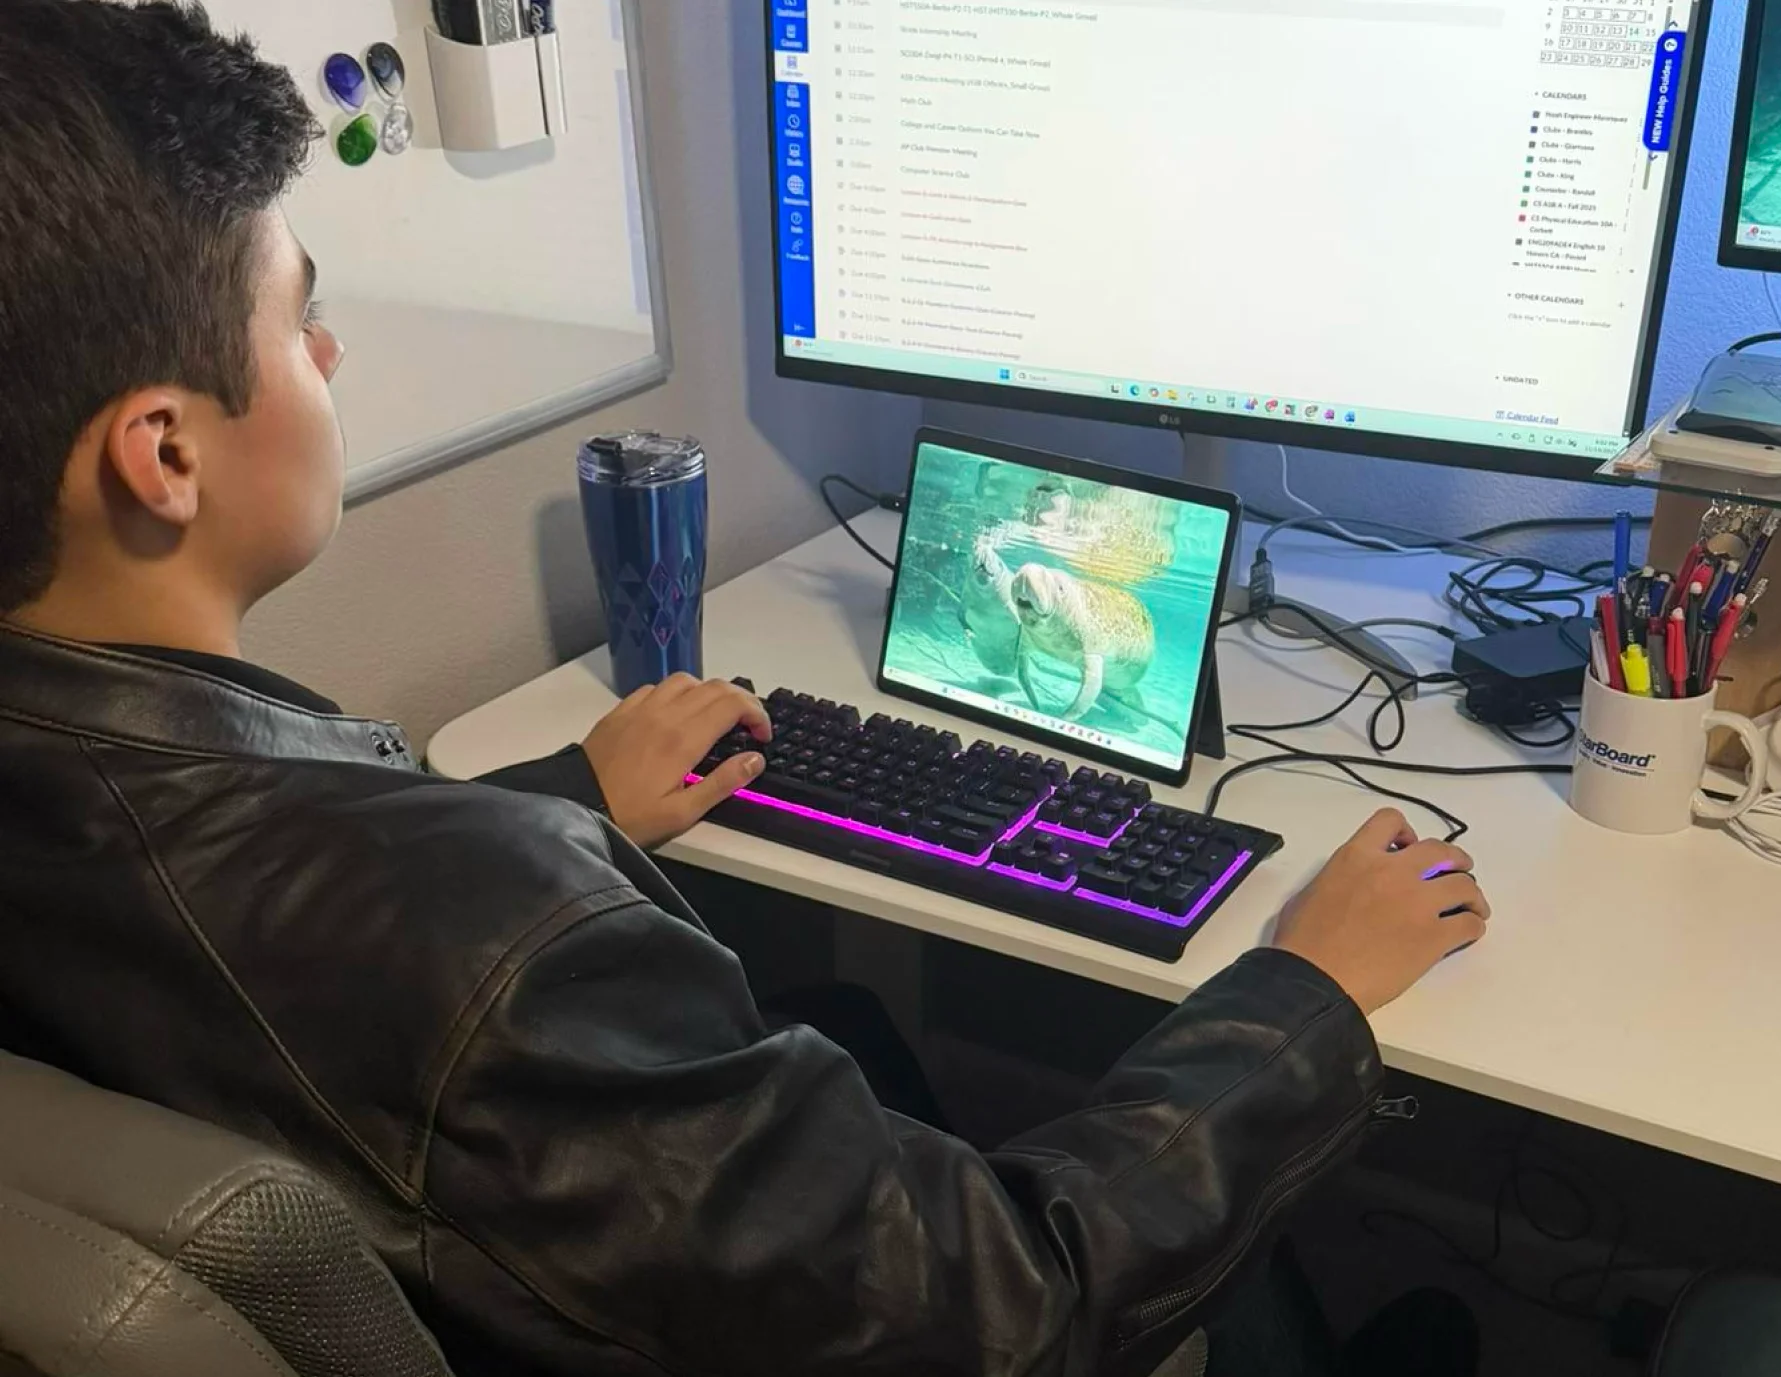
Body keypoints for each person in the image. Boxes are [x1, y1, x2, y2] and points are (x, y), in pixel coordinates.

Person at [0, 4, 1491, 1374]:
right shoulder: (491, 935)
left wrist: (564, 808)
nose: (327, 353)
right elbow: (1011, 1309)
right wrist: (1309, 995)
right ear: (166, 453)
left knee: (844, 1013)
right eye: (295, 320)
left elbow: (277, 940)